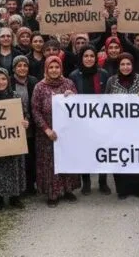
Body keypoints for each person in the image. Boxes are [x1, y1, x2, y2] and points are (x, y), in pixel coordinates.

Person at [31, 56, 80, 207]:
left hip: (66, 132)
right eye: (51, 67)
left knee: (66, 159)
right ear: (46, 69)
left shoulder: (68, 84)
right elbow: (35, 110)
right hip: (47, 134)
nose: (54, 70)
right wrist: (46, 129)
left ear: (61, 68)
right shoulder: (39, 87)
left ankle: (68, 189)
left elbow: (78, 106)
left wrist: (73, 97)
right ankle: (52, 194)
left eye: (57, 67)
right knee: (50, 163)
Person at [0, 68, 30, 210]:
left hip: (13, 141)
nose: (1, 82)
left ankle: (15, 198)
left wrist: (26, 121)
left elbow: (25, 114)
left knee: (14, 168)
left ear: (8, 81)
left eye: (3, 79)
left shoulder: (15, 96)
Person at [69, 45, 112, 195]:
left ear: (96, 58)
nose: (89, 59)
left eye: (92, 56)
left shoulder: (103, 74)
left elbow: (109, 95)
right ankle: (86, 182)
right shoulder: (74, 75)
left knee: (103, 150)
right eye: (86, 56)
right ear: (81, 58)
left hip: (101, 119)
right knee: (84, 150)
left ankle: (102, 181)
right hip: (82, 121)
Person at [105, 53, 139, 199]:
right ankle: (122, 190)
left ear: (133, 65)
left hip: (137, 126)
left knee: (136, 155)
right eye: (122, 64)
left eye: (128, 64)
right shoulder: (111, 81)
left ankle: (137, 189)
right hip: (117, 127)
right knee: (120, 156)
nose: (125, 67)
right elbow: (105, 102)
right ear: (118, 66)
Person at [12, 56, 38, 196]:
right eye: (19, 65)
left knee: (31, 157)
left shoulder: (33, 81)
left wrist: (30, 120)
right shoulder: (9, 82)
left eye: (25, 65)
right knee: (19, 158)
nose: (22, 68)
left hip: (31, 125)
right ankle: (19, 186)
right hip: (14, 127)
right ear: (14, 68)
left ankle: (31, 184)